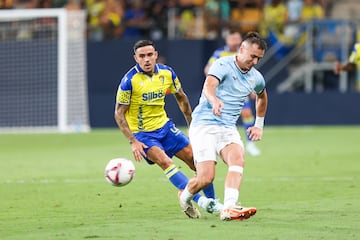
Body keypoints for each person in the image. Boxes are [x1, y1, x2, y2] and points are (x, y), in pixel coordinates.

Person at [114, 39, 222, 219]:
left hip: (166, 128)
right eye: (142, 56)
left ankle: (212, 200)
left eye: (150, 55)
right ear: (136, 58)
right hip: (143, 135)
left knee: (197, 161)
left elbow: (181, 98)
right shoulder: (129, 81)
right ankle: (203, 202)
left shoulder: (167, 73)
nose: (147, 59)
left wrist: (192, 126)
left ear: (155, 55)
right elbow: (119, 113)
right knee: (166, 163)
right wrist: (133, 141)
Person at [179, 32, 268, 221]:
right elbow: (208, 87)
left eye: (258, 58)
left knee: (238, 160)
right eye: (252, 56)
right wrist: (214, 100)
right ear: (242, 49)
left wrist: (258, 124)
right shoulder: (222, 63)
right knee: (206, 178)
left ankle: (229, 207)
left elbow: (262, 96)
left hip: (227, 128)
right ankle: (184, 197)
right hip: (204, 125)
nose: (254, 61)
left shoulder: (256, 77)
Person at [204, 30, 261, 157]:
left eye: (237, 38)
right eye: (232, 38)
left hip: (239, 91)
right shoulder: (219, 53)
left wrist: (252, 88)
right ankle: (216, 145)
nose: (235, 41)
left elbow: (249, 73)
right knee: (219, 117)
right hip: (222, 92)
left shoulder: (243, 54)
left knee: (246, 113)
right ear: (227, 40)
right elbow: (208, 68)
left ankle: (251, 144)